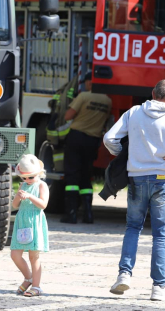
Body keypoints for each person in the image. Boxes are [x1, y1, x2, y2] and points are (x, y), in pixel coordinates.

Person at [103, 79, 165, 302]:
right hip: (162, 179)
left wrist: (122, 154)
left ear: (152, 93)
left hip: (136, 178)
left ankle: (123, 275)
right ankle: (159, 287)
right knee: (160, 234)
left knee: (133, 227)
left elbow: (110, 138)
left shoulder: (134, 112)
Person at [60, 72, 112, 224]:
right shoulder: (107, 101)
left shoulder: (84, 96)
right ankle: (88, 214)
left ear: (90, 83)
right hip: (93, 141)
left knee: (72, 176)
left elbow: (68, 116)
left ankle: (71, 214)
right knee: (86, 177)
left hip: (76, 137)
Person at [11, 154, 49, 297]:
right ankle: (28, 277)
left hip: (35, 221)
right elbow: (14, 205)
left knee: (34, 256)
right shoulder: (23, 185)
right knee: (15, 254)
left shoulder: (41, 185)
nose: (27, 180)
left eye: (30, 177)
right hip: (22, 221)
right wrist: (18, 196)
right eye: (24, 177)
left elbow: (43, 205)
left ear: (38, 174)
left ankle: (37, 286)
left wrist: (30, 196)